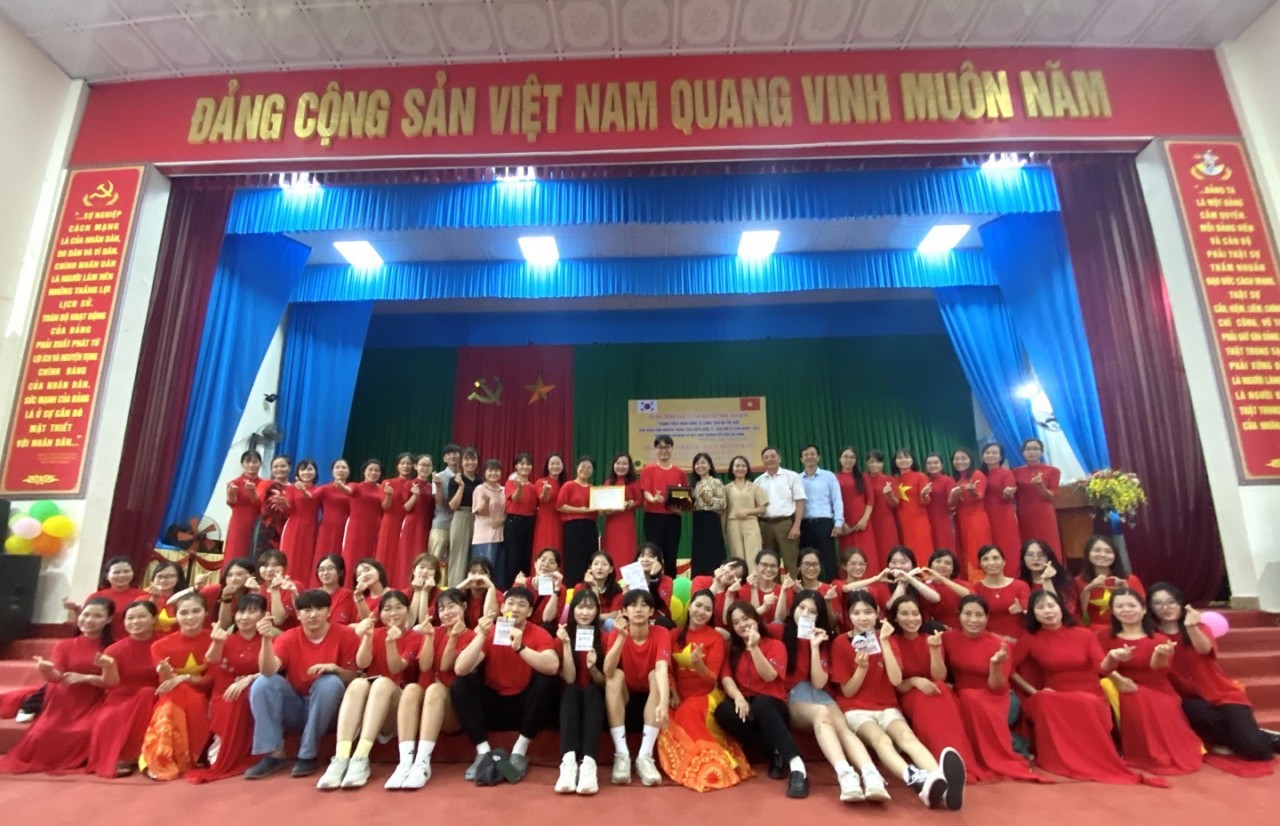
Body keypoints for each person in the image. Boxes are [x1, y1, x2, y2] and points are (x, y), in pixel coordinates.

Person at [829, 591, 965, 809]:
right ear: (849, 615)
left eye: (868, 612)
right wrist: (862, 669)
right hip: (856, 709)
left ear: (877, 614)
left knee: (907, 738)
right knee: (882, 741)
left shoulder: (888, 639)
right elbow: (848, 692)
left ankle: (941, 781)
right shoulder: (840, 643)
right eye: (856, 613)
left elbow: (895, 679)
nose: (863, 618)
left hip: (887, 706)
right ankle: (916, 779)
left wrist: (883, 642)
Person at [1010, 590, 1151, 785]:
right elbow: (1009, 668)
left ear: (1061, 608)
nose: (1047, 611)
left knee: (1087, 702)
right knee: (1044, 700)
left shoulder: (1084, 634)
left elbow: (1102, 668)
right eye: (1040, 608)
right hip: (1055, 695)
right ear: (1033, 613)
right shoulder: (1030, 638)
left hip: (1090, 692)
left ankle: (1091, 758)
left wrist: (1113, 657)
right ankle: (1060, 759)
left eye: (1051, 605)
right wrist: (1034, 691)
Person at [1148, 582, 1280, 761]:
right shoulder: (1153, 636)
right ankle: (1251, 736)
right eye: (1158, 603)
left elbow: (1203, 649)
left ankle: (1260, 737)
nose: (1165, 608)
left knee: (1257, 751)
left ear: (1181, 603)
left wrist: (1191, 627)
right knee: (1196, 711)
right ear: (1150, 607)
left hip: (1222, 692)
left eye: (1171, 602)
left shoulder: (1200, 627)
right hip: (1190, 699)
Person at [782, 589, 889, 802]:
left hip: (820, 692)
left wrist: (815, 648)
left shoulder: (823, 639)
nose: (805, 614)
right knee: (821, 713)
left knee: (841, 726)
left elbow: (819, 682)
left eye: (812, 611)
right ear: (793, 608)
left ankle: (871, 774)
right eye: (802, 608)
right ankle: (845, 774)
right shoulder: (780, 632)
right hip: (795, 695)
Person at [245, 589, 360, 779]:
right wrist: (265, 639)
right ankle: (273, 753)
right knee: (263, 683)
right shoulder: (288, 637)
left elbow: (355, 678)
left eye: (319, 609)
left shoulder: (346, 635)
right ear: (298, 615)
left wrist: (335, 669)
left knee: (330, 682)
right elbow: (268, 670)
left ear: (329, 611)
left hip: (331, 709)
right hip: (298, 705)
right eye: (307, 610)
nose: (313, 615)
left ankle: (308, 754)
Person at [318, 590, 425, 789]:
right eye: (387, 609)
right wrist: (367, 637)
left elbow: (396, 668)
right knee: (357, 684)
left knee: (383, 683)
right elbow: (362, 663)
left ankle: (361, 756)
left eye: (398, 608)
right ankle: (341, 757)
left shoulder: (415, 638)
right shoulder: (375, 633)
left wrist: (391, 643)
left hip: (397, 706)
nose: (393, 613)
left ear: (408, 611)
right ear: (379, 613)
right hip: (371, 703)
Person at [451, 587, 559, 783]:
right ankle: (483, 751)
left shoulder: (539, 633)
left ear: (530, 611)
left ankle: (520, 750)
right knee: (461, 683)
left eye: (521, 605)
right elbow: (460, 668)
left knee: (547, 680)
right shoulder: (491, 632)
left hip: (525, 707)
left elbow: (552, 666)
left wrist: (520, 648)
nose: (515, 609)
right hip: (494, 704)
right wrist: (481, 636)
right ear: (502, 608)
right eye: (510, 603)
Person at [0, 598, 112, 773]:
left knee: (83, 732)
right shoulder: (64, 645)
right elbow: (57, 677)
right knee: (40, 735)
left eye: (97, 616)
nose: (89, 620)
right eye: (86, 614)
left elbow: (113, 681)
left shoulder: (112, 647)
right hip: (65, 699)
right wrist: (47, 670)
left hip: (96, 698)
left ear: (109, 619)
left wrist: (86, 678)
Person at [657, 589, 754, 791]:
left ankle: (715, 764)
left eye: (707, 609)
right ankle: (690, 764)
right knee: (667, 719)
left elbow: (712, 678)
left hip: (706, 695)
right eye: (698, 606)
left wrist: (698, 665)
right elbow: (667, 669)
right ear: (689, 606)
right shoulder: (673, 635)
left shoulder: (715, 639)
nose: (701, 612)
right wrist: (673, 693)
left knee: (688, 712)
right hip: (679, 696)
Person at [881, 595, 982, 785]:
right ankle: (937, 761)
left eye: (915, 613)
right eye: (904, 614)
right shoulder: (892, 641)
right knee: (928, 698)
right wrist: (915, 681)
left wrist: (934, 650)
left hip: (933, 689)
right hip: (908, 693)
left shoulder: (930, 638)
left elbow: (939, 676)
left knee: (941, 689)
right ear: (895, 617)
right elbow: (897, 683)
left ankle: (960, 760)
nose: (911, 619)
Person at [1100, 588, 1202, 775]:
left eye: (1131, 605)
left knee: (1144, 697)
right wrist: (1118, 678)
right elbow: (1099, 666)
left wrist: (1160, 654)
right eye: (1120, 606)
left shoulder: (1159, 639)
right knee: (1133, 694)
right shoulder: (1103, 637)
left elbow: (1158, 669)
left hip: (1158, 688)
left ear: (1143, 609)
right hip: (1122, 687)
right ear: (1112, 610)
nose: (1126, 610)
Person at [941, 595, 1041, 782]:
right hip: (961, 695)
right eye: (968, 614)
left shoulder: (999, 644)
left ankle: (1010, 749)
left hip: (997, 696)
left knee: (971, 700)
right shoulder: (948, 639)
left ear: (987, 618)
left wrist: (995, 664)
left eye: (979, 615)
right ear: (959, 615)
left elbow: (998, 687)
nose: (973, 620)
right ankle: (1013, 744)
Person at [715, 601, 809, 798]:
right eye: (736, 622)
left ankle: (797, 767)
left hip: (772, 704)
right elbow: (726, 678)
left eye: (745, 618)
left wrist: (754, 647)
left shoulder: (775, 645)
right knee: (723, 711)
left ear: (756, 619)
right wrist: (738, 698)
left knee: (762, 705)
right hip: (747, 702)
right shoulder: (731, 648)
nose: (742, 624)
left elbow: (769, 676)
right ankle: (774, 752)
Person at [385, 588, 474, 789]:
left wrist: (453, 637)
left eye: (451, 606)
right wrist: (429, 638)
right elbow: (425, 666)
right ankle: (405, 762)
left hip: (450, 709)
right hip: (425, 704)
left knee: (434, 689)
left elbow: (445, 666)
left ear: (464, 607)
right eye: (442, 608)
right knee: (411, 689)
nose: (446, 612)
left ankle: (422, 762)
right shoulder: (434, 631)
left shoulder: (471, 636)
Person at [186, 593, 266, 783]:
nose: (244, 617)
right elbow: (211, 660)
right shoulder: (226, 638)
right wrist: (217, 642)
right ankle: (221, 753)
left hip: (252, 689)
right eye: (241, 612)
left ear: (263, 615)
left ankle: (242, 753)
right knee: (233, 698)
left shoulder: (268, 639)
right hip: (224, 691)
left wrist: (248, 679)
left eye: (252, 612)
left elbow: (274, 669)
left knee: (245, 694)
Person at [140, 591, 213, 780]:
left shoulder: (215, 640)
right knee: (174, 695)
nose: (190, 617)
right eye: (184, 613)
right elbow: (166, 684)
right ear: (176, 616)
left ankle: (162, 757)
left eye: (196, 611)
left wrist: (183, 678)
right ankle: (167, 756)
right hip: (172, 696)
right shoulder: (159, 646)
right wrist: (166, 673)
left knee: (178, 693)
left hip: (206, 695)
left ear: (205, 613)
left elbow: (210, 680)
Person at [605, 589, 671, 786]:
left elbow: (662, 668)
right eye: (633, 605)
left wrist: (664, 703)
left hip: (652, 699)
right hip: (626, 700)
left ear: (651, 611)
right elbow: (608, 671)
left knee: (655, 674)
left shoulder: (661, 633)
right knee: (615, 676)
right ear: (624, 611)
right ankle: (622, 754)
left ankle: (645, 756)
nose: (639, 609)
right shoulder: (616, 633)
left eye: (644, 605)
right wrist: (621, 638)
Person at [87, 599, 159, 777]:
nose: (135, 622)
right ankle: (124, 756)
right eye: (130, 618)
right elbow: (110, 683)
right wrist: (109, 666)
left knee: (146, 693)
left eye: (141, 616)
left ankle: (139, 755)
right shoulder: (114, 650)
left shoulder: (163, 644)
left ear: (153, 619)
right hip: (120, 698)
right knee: (110, 717)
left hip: (156, 696)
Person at [554, 589, 608, 794]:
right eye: (580, 607)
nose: (585, 613)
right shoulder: (562, 636)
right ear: (572, 609)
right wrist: (567, 645)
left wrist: (593, 668)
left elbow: (604, 683)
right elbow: (569, 678)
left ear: (597, 611)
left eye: (590, 607)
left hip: (595, 699)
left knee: (592, 691)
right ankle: (568, 763)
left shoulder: (604, 638)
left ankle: (589, 765)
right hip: (569, 701)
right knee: (572, 690)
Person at [66, 556, 148, 641]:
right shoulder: (96, 597)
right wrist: (76, 611)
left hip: (136, 640)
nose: (122, 575)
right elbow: (85, 623)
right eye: (116, 572)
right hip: (102, 642)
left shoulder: (144, 596)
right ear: (107, 575)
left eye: (126, 571)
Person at [640, 434, 688, 575]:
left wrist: (680, 509)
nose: (664, 451)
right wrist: (653, 499)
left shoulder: (680, 472)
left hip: (673, 519)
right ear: (655, 449)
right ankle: (653, 581)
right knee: (654, 553)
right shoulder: (648, 470)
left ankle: (670, 582)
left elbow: (685, 497)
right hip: (653, 517)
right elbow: (646, 492)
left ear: (672, 449)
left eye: (667, 447)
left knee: (671, 554)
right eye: (660, 447)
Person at [754, 446, 806, 576]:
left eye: (773, 456)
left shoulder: (791, 476)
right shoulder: (758, 481)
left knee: (791, 561)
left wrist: (796, 526)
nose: (769, 459)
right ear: (762, 460)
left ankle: (795, 587)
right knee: (769, 563)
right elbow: (755, 507)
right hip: (765, 525)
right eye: (766, 457)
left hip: (785, 524)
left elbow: (800, 501)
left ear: (780, 458)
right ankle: (773, 588)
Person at [1077, 535, 1145, 629]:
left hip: (1126, 630)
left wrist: (1126, 590)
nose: (1103, 555)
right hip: (1092, 631)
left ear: (1115, 555)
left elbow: (1142, 610)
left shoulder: (1131, 580)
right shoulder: (1078, 582)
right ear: (1088, 553)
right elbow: (1079, 615)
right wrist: (1087, 590)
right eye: (1097, 550)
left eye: (1108, 551)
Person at [797, 445, 843, 581]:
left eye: (812, 454)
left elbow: (837, 500)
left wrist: (838, 523)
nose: (809, 457)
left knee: (829, 560)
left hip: (824, 523)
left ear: (818, 457)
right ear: (801, 459)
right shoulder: (797, 479)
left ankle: (832, 587)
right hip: (804, 524)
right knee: (806, 560)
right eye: (806, 455)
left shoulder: (829, 476)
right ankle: (808, 588)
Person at [1012, 438, 1063, 553]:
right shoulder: (1015, 472)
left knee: (1048, 545)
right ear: (1023, 452)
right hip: (1024, 516)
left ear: (1041, 452)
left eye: (1035, 449)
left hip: (1044, 515)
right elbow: (1014, 497)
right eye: (1028, 449)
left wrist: (1040, 486)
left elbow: (1052, 497)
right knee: (1028, 546)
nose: (1032, 452)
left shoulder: (1053, 471)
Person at [275, 458, 321, 581]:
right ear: (298, 473)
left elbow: (313, 499)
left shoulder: (319, 490)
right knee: (290, 556)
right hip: (293, 526)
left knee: (307, 559)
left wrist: (303, 490)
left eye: (310, 469)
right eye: (303, 469)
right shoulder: (291, 489)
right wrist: (282, 504)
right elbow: (288, 510)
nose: (306, 472)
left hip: (311, 528)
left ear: (315, 472)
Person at [971, 545, 1030, 642]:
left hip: (1019, 641)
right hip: (989, 641)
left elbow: (1032, 616)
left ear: (1004, 562)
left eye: (995, 558)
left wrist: (1023, 610)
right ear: (980, 564)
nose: (991, 563)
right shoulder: (976, 589)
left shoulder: (1021, 586)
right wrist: (999, 639)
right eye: (985, 559)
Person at [949, 448, 991, 581]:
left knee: (976, 550)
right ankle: (970, 582)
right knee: (965, 552)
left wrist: (972, 491)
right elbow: (952, 504)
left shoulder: (977, 474)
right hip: (961, 519)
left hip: (975, 519)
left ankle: (980, 582)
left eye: (963, 458)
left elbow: (979, 496)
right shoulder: (958, 479)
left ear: (970, 460)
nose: (959, 462)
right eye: (956, 459)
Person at [557, 455, 599, 586]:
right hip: (573, 527)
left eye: (589, 468)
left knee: (590, 558)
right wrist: (580, 510)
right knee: (573, 560)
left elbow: (598, 509)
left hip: (590, 527)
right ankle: (572, 589)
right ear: (577, 467)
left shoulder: (594, 489)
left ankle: (590, 587)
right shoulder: (568, 485)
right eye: (583, 466)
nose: (585, 470)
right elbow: (560, 506)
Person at [835, 447, 878, 572]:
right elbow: (833, 502)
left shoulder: (863, 477)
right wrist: (842, 522)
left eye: (852, 457)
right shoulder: (834, 478)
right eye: (845, 456)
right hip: (845, 524)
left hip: (863, 523)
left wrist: (865, 519)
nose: (849, 460)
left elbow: (870, 499)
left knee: (867, 553)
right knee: (847, 554)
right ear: (840, 459)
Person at [396, 454, 437, 584]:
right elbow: (406, 508)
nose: (425, 468)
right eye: (422, 465)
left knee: (423, 557)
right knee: (407, 556)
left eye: (428, 465)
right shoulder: (409, 484)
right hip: (412, 525)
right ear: (415, 466)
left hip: (427, 526)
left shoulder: (432, 487)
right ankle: (404, 585)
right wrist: (415, 495)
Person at [979, 443, 1020, 570]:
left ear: (1001, 457)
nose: (991, 455)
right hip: (984, 514)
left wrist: (1007, 494)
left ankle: (1011, 573)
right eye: (987, 452)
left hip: (1002, 515)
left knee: (1005, 544)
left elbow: (1009, 496)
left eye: (994, 453)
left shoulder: (1006, 473)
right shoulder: (979, 474)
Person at [886, 449, 932, 559]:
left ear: (912, 460)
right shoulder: (894, 480)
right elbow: (894, 504)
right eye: (899, 458)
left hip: (918, 519)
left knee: (921, 548)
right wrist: (888, 494)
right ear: (895, 461)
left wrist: (924, 495)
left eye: (906, 457)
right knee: (905, 551)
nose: (903, 460)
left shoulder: (920, 476)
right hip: (901, 521)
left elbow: (925, 501)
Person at [724, 454, 767, 570]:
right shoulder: (726, 488)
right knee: (737, 556)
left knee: (753, 554)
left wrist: (748, 511)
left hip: (751, 523)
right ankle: (739, 579)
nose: (740, 468)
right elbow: (724, 511)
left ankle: (753, 579)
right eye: (737, 466)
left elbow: (763, 508)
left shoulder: (754, 487)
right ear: (732, 469)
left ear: (747, 468)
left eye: (743, 466)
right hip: (733, 524)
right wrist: (722, 529)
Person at [446, 448, 481, 587]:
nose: (470, 462)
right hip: (461, 516)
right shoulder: (455, 480)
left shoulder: (481, 481)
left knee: (475, 556)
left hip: (478, 519)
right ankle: (455, 589)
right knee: (458, 556)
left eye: (473, 459)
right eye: (467, 459)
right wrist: (461, 486)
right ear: (461, 462)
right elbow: (452, 506)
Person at [1019, 540, 1079, 620]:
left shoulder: (1065, 580)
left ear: (1049, 557)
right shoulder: (1020, 584)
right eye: (1030, 555)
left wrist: (1047, 580)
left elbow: (1065, 612)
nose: (1036, 558)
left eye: (1041, 554)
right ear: (1023, 558)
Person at [223, 449, 264, 565]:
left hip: (258, 523)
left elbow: (261, 503)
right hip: (239, 523)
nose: (251, 465)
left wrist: (252, 491)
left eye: (255, 462)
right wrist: (231, 493)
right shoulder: (234, 483)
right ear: (242, 464)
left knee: (256, 553)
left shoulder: (264, 483)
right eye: (248, 461)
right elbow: (231, 503)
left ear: (260, 464)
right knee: (236, 552)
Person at [343, 459, 384, 575]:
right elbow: (348, 490)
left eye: (377, 470)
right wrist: (341, 486)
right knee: (351, 556)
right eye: (370, 470)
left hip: (374, 528)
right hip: (356, 528)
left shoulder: (382, 489)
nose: (373, 473)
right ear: (364, 472)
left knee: (370, 557)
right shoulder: (355, 486)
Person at [377, 453, 416, 575]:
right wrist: (389, 495)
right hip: (390, 522)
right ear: (397, 466)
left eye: (409, 463)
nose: (406, 466)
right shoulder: (388, 483)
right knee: (387, 553)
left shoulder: (415, 485)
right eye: (402, 463)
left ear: (414, 466)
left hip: (408, 523)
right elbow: (385, 507)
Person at [471, 458, 508, 585]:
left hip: (500, 534)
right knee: (484, 569)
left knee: (498, 571)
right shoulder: (480, 489)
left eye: (497, 470)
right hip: (484, 536)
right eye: (490, 470)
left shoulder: (504, 490)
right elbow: (479, 512)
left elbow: (507, 510)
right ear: (484, 473)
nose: (494, 473)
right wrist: (485, 502)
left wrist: (502, 520)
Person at [690, 452, 728, 577]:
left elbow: (722, 504)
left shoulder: (716, 482)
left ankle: (717, 579)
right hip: (698, 520)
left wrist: (706, 497)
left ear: (710, 465)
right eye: (697, 463)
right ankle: (699, 580)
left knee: (712, 551)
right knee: (699, 552)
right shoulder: (694, 484)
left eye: (703, 463)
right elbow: (691, 505)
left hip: (711, 520)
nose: (700, 466)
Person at [601, 452, 642, 565]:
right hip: (612, 522)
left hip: (626, 522)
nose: (621, 466)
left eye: (624, 464)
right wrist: (605, 510)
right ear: (613, 465)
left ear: (629, 466)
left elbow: (640, 500)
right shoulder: (608, 482)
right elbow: (602, 503)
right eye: (618, 463)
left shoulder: (634, 482)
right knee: (611, 551)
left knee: (626, 551)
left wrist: (629, 504)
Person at [504, 452, 538, 579]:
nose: (525, 467)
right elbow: (515, 499)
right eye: (522, 464)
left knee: (526, 555)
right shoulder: (510, 483)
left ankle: (525, 584)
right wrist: (519, 488)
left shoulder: (534, 487)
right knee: (513, 556)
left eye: (528, 464)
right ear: (516, 466)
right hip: (514, 521)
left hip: (529, 521)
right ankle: (512, 585)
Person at [863, 451, 898, 570]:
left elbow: (895, 503)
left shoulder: (889, 480)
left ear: (883, 463)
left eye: (878, 462)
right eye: (871, 462)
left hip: (885, 521)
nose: (875, 465)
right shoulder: (863, 479)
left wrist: (889, 494)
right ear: (867, 463)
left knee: (887, 549)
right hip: (867, 521)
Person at [513, 548, 565, 626]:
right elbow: (512, 613)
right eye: (543, 560)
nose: (546, 564)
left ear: (557, 569)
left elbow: (547, 619)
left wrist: (556, 589)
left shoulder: (560, 588)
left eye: (552, 562)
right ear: (535, 564)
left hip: (544, 628)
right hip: (522, 626)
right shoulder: (523, 582)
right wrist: (521, 589)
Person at [921, 549, 970, 630]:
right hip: (935, 631)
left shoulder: (962, 584)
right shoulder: (924, 587)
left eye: (947, 563)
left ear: (953, 569)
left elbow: (970, 596)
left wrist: (942, 579)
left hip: (964, 629)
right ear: (930, 565)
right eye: (938, 561)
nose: (942, 565)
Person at [314, 459, 354, 560]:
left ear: (349, 472)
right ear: (332, 472)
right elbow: (310, 498)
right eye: (337, 467)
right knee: (323, 554)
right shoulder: (324, 489)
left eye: (344, 467)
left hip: (346, 527)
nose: (340, 470)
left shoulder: (353, 489)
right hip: (327, 527)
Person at [201, 558, 255, 631]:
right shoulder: (213, 590)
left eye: (239, 574)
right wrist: (196, 587)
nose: (233, 579)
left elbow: (224, 627)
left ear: (251, 575)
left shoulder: (255, 591)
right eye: (229, 575)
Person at [428, 444, 460, 564]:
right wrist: (438, 486)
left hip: (459, 526)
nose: (452, 456)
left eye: (455, 453)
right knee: (434, 562)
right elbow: (439, 503)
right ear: (444, 459)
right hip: (442, 524)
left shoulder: (464, 477)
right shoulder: (439, 477)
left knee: (454, 564)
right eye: (448, 454)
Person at [532, 452, 568, 554]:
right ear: (547, 467)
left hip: (563, 520)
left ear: (563, 466)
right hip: (546, 520)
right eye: (552, 464)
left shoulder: (565, 484)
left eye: (558, 463)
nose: (555, 466)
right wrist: (546, 491)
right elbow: (543, 499)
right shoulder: (541, 482)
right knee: (546, 546)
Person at [921, 453, 957, 554]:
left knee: (945, 548)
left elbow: (952, 503)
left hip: (943, 521)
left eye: (936, 463)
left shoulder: (948, 480)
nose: (933, 465)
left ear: (942, 465)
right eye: (929, 463)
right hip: (926, 520)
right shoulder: (924, 480)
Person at [742, 549, 789, 624]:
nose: (769, 569)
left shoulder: (785, 590)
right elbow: (751, 619)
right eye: (764, 565)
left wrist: (783, 592)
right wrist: (754, 589)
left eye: (773, 566)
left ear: (778, 568)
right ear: (756, 566)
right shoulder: (744, 590)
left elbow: (780, 620)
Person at [147, 560, 187, 635]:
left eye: (170, 576)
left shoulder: (185, 599)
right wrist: (154, 599)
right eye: (160, 576)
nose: (163, 580)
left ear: (179, 578)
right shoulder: (142, 598)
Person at [316, 554, 358, 626]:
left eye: (330, 569)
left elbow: (339, 622)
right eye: (321, 570)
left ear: (341, 572)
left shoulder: (346, 595)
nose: (325, 573)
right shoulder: (312, 595)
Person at [407, 553, 441, 627]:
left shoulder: (440, 595)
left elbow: (423, 623)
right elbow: (408, 623)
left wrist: (425, 592)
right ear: (414, 571)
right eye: (422, 567)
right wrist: (417, 592)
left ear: (436, 574)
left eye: (430, 568)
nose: (425, 571)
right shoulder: (405, 593)